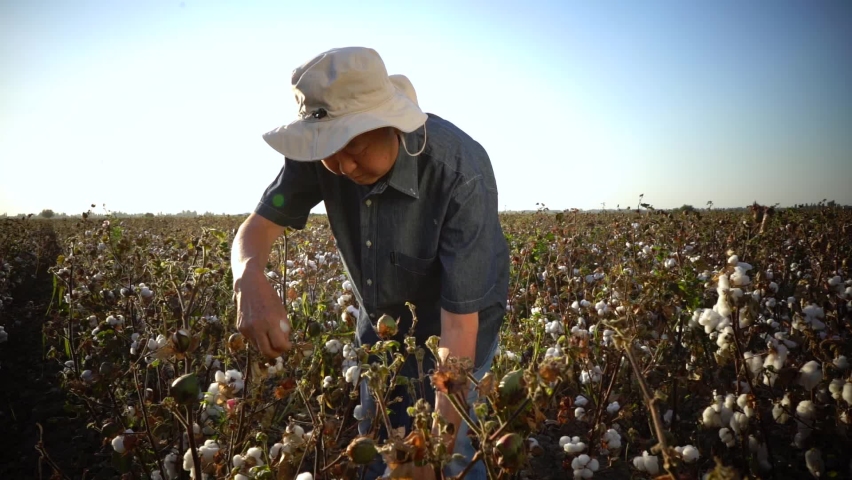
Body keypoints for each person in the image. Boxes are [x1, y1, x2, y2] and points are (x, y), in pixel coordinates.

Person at [231, 46, 509, 479]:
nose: (341, 165)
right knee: (380, 440)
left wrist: (433, 447)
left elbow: (459, 329)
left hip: (460, 329)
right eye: (329, 150)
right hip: (380, 327)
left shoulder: (459, 172)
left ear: (390, 124)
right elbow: (258, 228)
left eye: (354, 144)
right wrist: (248, 278)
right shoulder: (323, 155)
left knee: (449, 458)